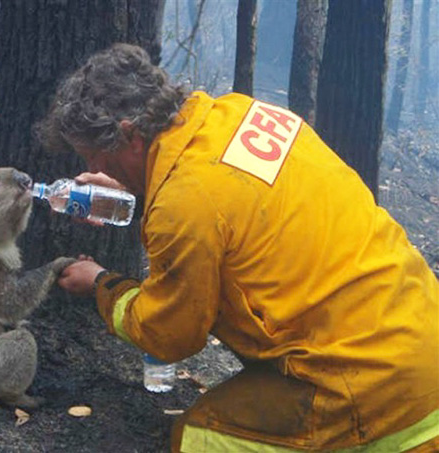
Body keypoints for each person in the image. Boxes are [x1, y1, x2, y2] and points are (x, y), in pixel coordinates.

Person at [41, 43, 439, 452]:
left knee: (201, 438)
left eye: (97, 158)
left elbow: (169, 335)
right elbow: (224, 203)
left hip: (374, 391)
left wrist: (103, 285)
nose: (95, 171)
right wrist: (137, 190)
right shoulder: (240, 114)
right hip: (422, 336)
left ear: (130, 136)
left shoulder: (185, 204)